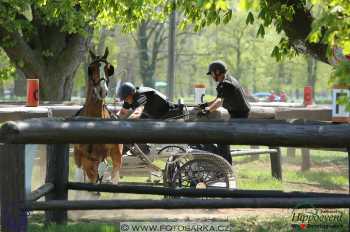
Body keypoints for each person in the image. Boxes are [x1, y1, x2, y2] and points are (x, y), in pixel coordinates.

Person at [197, 60, 251, 165]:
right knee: (221, 140)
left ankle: (222, 165)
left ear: (217, 72)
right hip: (238, 116)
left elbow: (219, 102)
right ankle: (224, 165)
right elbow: (217, 99)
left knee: (219, 138)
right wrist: (205, 105)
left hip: (240, 118)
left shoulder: (226, 84)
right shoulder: (227, 81)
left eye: (212, 73)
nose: (212, 76)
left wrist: (207, 111)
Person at [117, 82, 184, 120]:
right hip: (152, 115)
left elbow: (137, 113)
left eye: (125, 99)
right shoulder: (129, 98)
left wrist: (126, 124)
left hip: (165, 113)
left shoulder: (140, 96)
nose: (125, 101)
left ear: (131, 94)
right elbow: (122, 112)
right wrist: (114, 119)